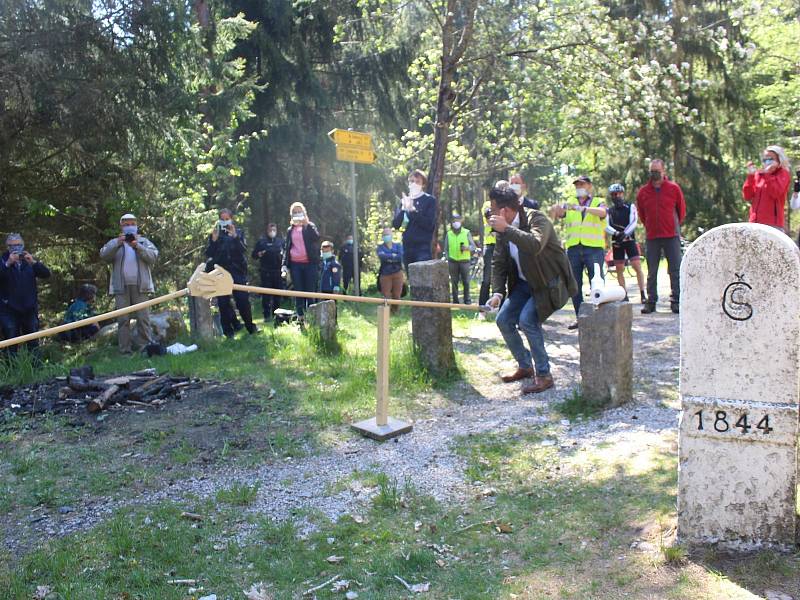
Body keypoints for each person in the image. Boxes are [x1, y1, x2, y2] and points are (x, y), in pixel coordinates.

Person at [486, 186, 577, 394]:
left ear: (506, 211)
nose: (491, 215)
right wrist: (497, 293)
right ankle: (525, 366)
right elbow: (498, 262)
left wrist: (507, 229)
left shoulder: (537, 219)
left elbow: (535, 245)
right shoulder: (502, 229)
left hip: (547, 283)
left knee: (527, 320)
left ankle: (544, 375)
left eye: (493, 209)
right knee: (503, 319)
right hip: (524, 283)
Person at [549, 175, 607, 329]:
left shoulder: (598, 201)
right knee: (574, 284)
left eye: (582, 184)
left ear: (589, 186)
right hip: (574, 248)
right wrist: (556, 209)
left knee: (597, 282)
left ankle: (600, 316)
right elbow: (559, 213)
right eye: (577, 185)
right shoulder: (570, 203)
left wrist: (584, 209)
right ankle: (580, 317)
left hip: (593, 248)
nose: (579, 187)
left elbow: (603, 213)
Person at [100, 214, 158, 354]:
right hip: (121, 287)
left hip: (141, 286)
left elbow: (153, 257)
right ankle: (125, 350)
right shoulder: (115, 242)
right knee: (123, 320)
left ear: (136, 225)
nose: (129, 226)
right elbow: (103, 255)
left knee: (143, 318)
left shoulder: (144, 242)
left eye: (132, 224)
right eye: (126, 224)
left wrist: (137, 246)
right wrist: (117, 244)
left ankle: (145, 348)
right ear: (121, 226)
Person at [636, 159, 686, 314]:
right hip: (652, 236)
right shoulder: (643, 192)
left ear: (663, 171)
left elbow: (681, 210)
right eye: (652, 171)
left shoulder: (673, 188)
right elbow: (642, 214)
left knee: (675, 270)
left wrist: (672, 225)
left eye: (657, 170)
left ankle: (676, 301)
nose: (654, 174)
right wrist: (650, 225)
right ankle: (651, 302)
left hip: (671, 235)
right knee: (652, 271)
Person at [205, 208, 258, 337]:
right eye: (222, 219)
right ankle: (228, 333)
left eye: (226, 219)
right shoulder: (215, 234)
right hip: (221, 273)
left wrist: (234, 236)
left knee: (242, 300)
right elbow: (209, 254)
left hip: (237, 271)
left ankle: (250, 327)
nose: (224, 221)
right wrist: (214, 240)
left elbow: (243, 250)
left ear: (231, 219)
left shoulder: (239, 232)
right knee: (223, 304)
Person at [0, 233, 51, 354]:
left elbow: (46, 274)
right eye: (12, 246)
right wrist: (7, 264)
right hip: (9, 310)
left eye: (18, 245)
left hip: (29, 309)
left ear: (23, 245)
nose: (15, 248)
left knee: (33, 343)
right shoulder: (3, 260)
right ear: (7, 247)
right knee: (10, 344)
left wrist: (33, 262)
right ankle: (11, 371)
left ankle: (36, 370)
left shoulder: (28, 261)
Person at [605, 183, 646, 304]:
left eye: (618, 194)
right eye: (613, 194)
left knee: (636, 266)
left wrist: (625, 233)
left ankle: (643, 293)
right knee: (619, 268)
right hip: (616, 241)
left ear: (622, 194)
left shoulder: (630, 206)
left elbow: (634, 221)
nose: (616, 196)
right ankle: (624, 295)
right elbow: (605, 225)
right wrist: (616, 233)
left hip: (629, 240)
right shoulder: (609, 211)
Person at [391, 169, 438, 271]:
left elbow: (429, 224)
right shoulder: (404, 201)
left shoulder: (429, 200)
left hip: (422, 247)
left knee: (423, 278)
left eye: (417, 182)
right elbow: (396, 225)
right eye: (411, 181)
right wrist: (403, 210)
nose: (414, 184)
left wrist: (413, 211)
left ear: (423, 185)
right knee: (411, 280)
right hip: (407, 247)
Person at [282, 202, 320, 318]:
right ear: (291, 215)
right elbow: (287, 248)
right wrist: (284, 264)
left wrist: (306, 224)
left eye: (299, 211)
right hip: (295, 265)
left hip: (310, 264)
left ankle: (312, 318)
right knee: (298, 292)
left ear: (304, 212)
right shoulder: (290, 230)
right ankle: (301, 318)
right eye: (295, 212)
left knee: (310, 292)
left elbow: (316, 237)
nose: (297, 214)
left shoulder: (310, 226)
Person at [742, 145, 792, 230]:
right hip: (754, 223)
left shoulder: (783, 174)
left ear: (779, 159)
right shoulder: (759, 174)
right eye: (765, 159)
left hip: (773, 225)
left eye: (770, 159)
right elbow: (747, 196)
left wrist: (768, 174)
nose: (767, 162)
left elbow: (776, 192)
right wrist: (750, 176)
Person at [252, 223, 285, 321]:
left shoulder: (280, 242)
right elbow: (254, 255)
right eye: (270, 230)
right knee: (266, 294)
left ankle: (277, 315)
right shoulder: (262, 242)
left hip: (278, 272)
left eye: (274, 230)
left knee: (277, 294)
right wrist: (259, 254)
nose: (272, 232)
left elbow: (286, 254)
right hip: (265, 272)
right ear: (267, 231)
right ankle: (266, 315)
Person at [443, 213, 476, 304]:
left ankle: (467, 301)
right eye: (454, 220)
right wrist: (447, 257)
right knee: (454, 282)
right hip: (452, 261)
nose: (456, 222)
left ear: (461, 221)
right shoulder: (449, 234)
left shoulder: (466, 232)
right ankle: (455, 301)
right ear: (451, 222)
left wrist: (467, 248)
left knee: (466, 281)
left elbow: (473, 247)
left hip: (464, 261)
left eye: (458, 220)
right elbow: (446, 248)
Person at [377, 227, 404, 314]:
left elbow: (400, 257)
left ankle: (395, 311)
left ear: (391, 235)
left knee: (397, 295)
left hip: (397, 272)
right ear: (382, 237)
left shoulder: (398, 245)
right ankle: (385, 312)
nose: (386, 236)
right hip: (385, 274)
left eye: (388, 234)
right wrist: (393, 256)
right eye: (384, 235)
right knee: (386, 295)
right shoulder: (380, 247)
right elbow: (382, 257)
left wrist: (389, 257)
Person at [479, 198, 496, 308]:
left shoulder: (508, 204)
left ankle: (499, 307)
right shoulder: (487, 204)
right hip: (490, 246)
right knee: (486, 279)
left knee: (501, 280)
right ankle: (482, 308)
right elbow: (488, 216)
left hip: (504, 245)